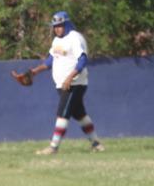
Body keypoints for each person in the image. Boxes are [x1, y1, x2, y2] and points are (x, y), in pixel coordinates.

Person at [25, 10, 103, 156]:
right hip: (62, 84)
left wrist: (70, 78)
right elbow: (50, 60)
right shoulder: (57, 40)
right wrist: (36, 71)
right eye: (54, 26)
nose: (57, 28)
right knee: (79, 114)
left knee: (62, 114)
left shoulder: (75, 38)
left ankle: (53, 147)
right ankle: (97, 144)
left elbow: (83, 60)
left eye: (60, 25)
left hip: (74, 84)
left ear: (66, 24)